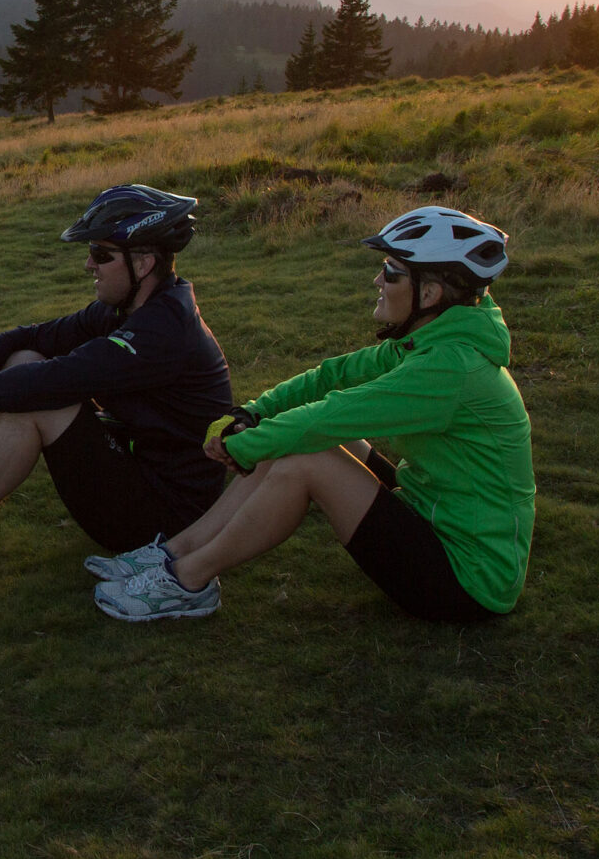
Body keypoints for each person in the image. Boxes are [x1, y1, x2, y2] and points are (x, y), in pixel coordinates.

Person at [89, 205, 533, 625]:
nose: (378, 281)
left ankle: (189, 581)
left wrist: (242, 444)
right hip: (431, 515)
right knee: (295, 435)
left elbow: (333, 415)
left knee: (306, 454)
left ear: (430, 293)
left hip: (469, 581)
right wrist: (253, 412)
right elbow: (332, 377)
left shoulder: (449, 368)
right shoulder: (435, 342)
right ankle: (176, 551)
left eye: (391, 273)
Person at [0, 183, 234, 574]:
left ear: (142, 264)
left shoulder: (161, 332)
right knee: (25, 360)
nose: (88, 265)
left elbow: (56, 381)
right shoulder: (128, 310)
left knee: (37, 400)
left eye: (100, 254)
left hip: (166, 521)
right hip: (139, 473)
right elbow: (30, 338)